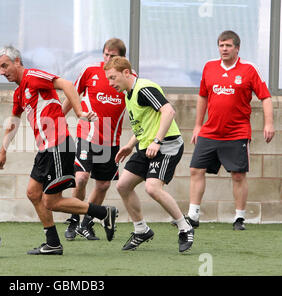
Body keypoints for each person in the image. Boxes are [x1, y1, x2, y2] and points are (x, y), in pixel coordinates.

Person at [0, 45, 118, 255]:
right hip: (46, 150)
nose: (2, 72)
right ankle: (52, 243)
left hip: (58, 146)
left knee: (51, 201)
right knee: (33, 193)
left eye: (5, 66)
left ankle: (104, 213)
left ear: (17, 62)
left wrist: (79, 112)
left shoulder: (33, 76)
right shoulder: (19, 92)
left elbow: (67, 84)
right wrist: (3, 149)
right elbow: (14, 120)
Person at [104, 56, 194, 253]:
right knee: (123, 185)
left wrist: (157, 141)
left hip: (167, 145)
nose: (110, 84)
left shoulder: (144, 88)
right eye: (108, 79)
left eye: (113, 78)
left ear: (126, 73)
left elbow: (169, 111)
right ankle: (141, 230)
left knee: (153, 188)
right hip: (146, 147)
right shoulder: (129, 95)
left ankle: (185, 227)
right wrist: (129, 145)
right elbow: (144, 126)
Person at [187, 30, 274, 230]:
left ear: (237, 48)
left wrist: (268, 123)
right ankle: (193, 215)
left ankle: (239, 218)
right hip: (210, 132)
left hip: (237, 132)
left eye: (228, 46)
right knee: (195, 169)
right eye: (221, 45)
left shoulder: (249, 69)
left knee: (238, 174)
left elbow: (266, 97)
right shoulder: (209, 67)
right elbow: (202, 96)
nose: (224, 49)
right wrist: (198, 125)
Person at [62, 38, 127, 241]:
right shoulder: (91, 72)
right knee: (81, 178)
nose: (108, 59)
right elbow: (72, 95)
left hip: (111, 139)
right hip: (87, 134)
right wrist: (58, 120)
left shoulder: (128, 79)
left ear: (121, 57)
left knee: (103, 185)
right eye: (106, 54)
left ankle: (86, 223)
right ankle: (73, 219)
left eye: (113, 55)